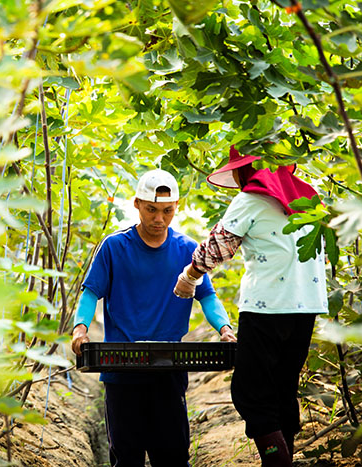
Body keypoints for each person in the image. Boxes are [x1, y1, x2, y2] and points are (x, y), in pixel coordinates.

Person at [173, 146, 327, 466]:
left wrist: (189, 276)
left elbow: (218, 247)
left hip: (267, 308)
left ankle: (277, 462)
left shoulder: (250, 200)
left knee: (251, 394)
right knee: (283, 388)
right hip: (306, 308)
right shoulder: (308, 200)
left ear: (248, 170)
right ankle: (285, 455)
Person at [71, 168, 236, 467]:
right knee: (126, 456)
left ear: (177, 208)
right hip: (121, 371)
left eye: (167, 211)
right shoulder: (114, 247)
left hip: (168, 370)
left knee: (172, 456)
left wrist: (225, 328)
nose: (159, 219)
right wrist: (80, 328)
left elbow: (207, 296)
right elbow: (90, 292)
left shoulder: (187, 250)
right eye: (151, 210)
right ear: (136, 205)